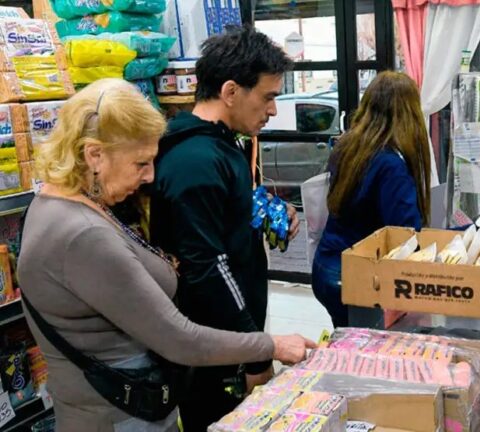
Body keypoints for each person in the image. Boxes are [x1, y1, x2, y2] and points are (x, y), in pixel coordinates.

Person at [17, 79, 315, 432]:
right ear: (94, 155)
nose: (150, 176)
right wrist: (270, 346)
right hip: (119, 420)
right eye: (141, 163)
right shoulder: (83, 234)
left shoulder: (59, 203)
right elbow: (180, 340)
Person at [149, 27, 300, 431]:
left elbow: (229, 213)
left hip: (233, 341)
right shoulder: (195, 161)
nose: (272, 110)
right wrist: (256, 353)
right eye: (267, 97)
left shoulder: (223, 143)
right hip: (214, 350)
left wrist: (270, 213)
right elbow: (207, 269)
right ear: (231, 91)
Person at [313, 71, 432, 328]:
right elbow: (406, 232)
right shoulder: (391, 165)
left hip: (327, 265)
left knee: (347, 339)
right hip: (356, 276)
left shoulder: (350, 147)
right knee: (366, 346)